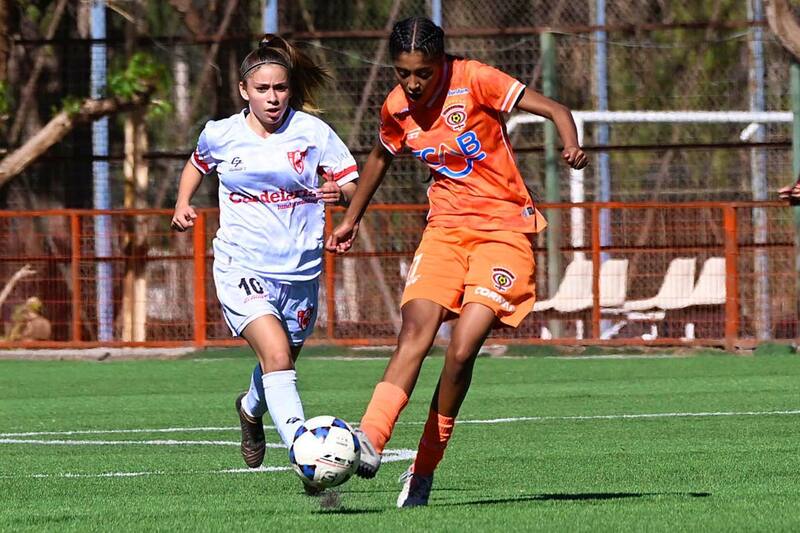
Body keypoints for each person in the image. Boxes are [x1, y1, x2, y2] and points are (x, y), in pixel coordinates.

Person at [325, 16, 587, 507]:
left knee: (463, 349)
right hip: (444, 232)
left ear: (441, 62)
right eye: (404, 73)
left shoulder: (476, 79)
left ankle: (423, 469)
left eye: (422, 71)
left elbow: (556, 108)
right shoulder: (397, 107)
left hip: (505, 232)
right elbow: (381, 157)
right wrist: (351, 218)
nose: (414, 83)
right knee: (415, 332)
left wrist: (571, 143)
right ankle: (370, 439)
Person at [171, 35, 358, 492]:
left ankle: (250, 408)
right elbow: (198, 163)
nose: (272, 98)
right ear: (243, 91)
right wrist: (181, 203)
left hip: (300, 271)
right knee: (275, 355)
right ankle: (303, 446)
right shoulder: (221, 133)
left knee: (282, 363)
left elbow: (354, 184)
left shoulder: (314, 133)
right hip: (241, 265)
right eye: (262, 90)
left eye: (280, 88)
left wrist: (341, 195)